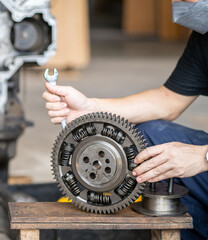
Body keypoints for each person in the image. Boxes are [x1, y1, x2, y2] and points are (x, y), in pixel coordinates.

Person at [42, 0, 208, 239]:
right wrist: (90, 107)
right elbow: (168, 100)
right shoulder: (204, 36)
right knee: (151, 138)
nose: (182, 4)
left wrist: (202, 156)